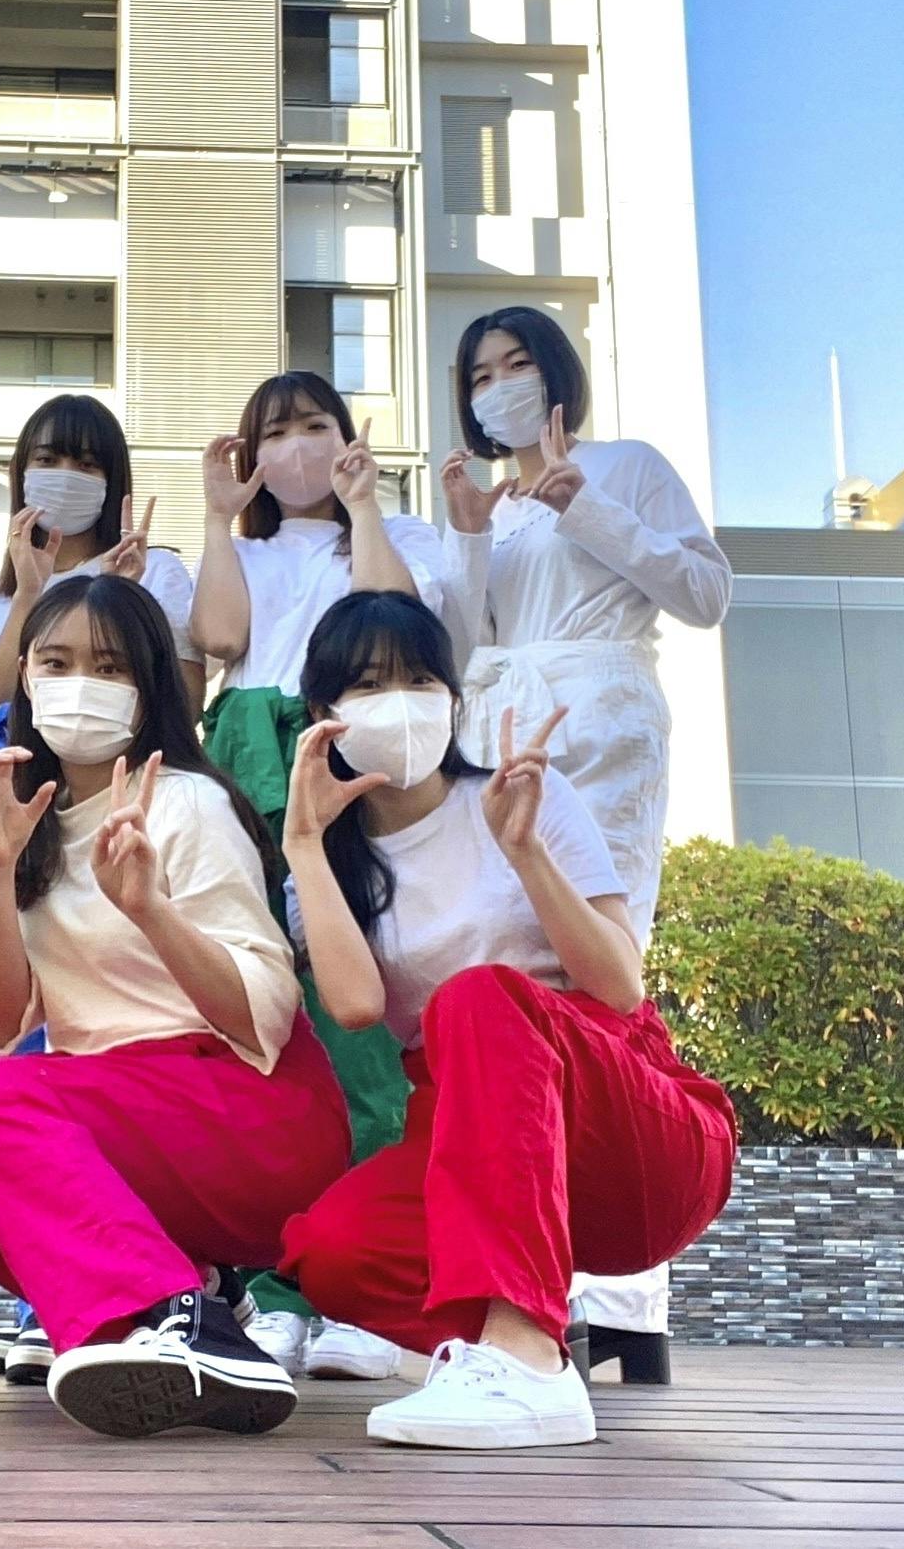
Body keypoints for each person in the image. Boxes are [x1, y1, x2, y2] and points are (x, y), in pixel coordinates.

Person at [0, 575, 351, 1440]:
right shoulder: (28, 820)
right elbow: (0, 1025)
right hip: (117, 1119)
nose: (79, 686)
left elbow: (262, 1015)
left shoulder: (188, 802)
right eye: (56, 663)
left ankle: (165, 1314)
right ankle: (188, 1310)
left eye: (108, 667)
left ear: (148, 685)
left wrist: (149, 909)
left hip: (248, 1111)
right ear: (25, 678)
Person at [277, 590, 736, 1449]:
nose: (399, 702)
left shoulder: (522, 797)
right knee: (334, 1250)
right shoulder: (325, 865)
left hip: (622, 1121)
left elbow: (619, 986)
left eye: (419, 679)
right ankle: (507, 1334)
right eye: (369, 685)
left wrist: (523, 852)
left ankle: (525, 1360)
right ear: (321, 716)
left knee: (477, 999)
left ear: (453, 698)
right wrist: (303, 846)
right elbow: (356, 1007)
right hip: (471, 1138)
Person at [441, 304, 732, 1362]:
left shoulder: (626, 465)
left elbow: (706, 592)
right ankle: (536, 1275)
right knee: (515, 974)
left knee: (601, 969)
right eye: (481, 373)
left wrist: (591, 507)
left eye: (518, 362)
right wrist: (469, 533)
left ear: (558, 370)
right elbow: (460, 645)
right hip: (501, 727)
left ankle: (626, 1299)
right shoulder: (487, 503)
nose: (500, 386)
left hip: (602, 719)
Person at [191, 369, 443, 1382]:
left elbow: (393, 616)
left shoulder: (392, 534)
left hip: (345, 747)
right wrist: (217, 516)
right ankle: (269, 1290)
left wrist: (363, 501)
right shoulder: (243, 549)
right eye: (274, 432)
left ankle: (363, 1295)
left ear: (347, 435)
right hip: (244, 752)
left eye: (312, 425)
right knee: (257, 1014)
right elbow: (219, 639)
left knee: (356, 1017)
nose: (294, 447)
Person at [0, 393, 204, 727]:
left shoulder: (154, 570)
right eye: (47, 460)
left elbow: (187, 706)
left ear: (111, 479)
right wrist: (26, 597)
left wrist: (118, 597)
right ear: (21, 473)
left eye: (87, 464)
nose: (66, 476)